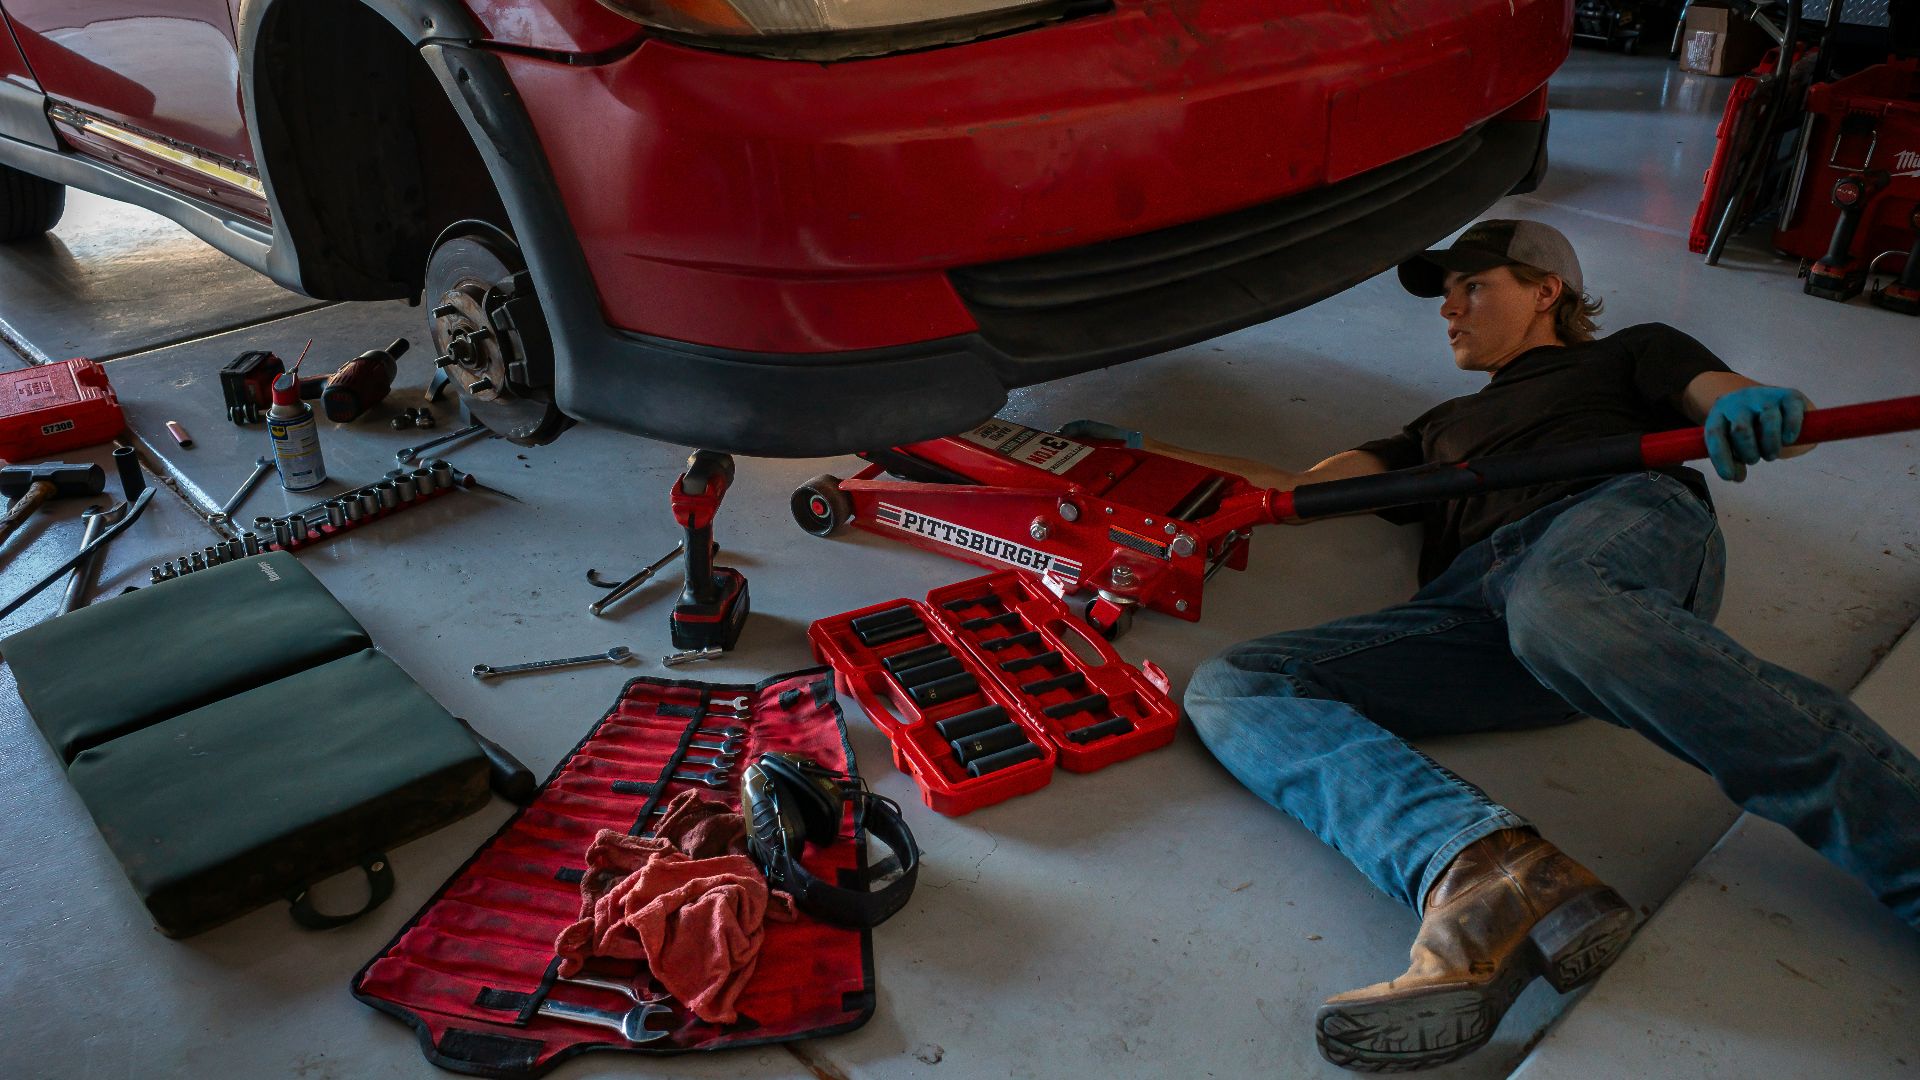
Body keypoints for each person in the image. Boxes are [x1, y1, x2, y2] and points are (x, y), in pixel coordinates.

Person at [1073, 219, 1920, 1073]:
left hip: (1608, 526)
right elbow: (1292, 490)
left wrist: (1766, 409)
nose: (1448, 308)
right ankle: (1493, 880)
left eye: (1470, 285)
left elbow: (1740, 402)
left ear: (1545, 290)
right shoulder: (1435, 428)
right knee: (1237, 686)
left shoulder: (1627, 353)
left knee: (1559, 610)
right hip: (1480, 608)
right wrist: (1135, 454)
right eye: (1445, 295)